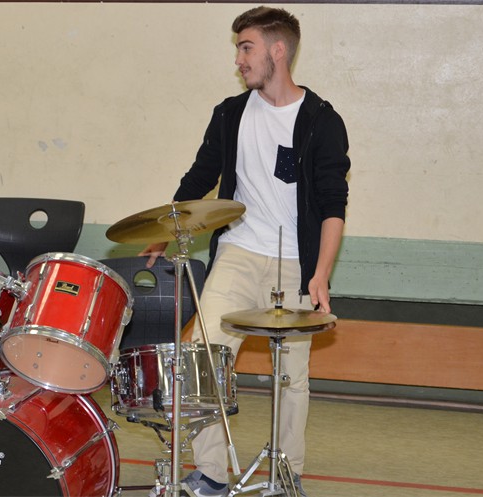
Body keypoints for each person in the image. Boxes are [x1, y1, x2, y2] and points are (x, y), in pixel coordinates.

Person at [139, 6, 350, 497]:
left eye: (246, 47)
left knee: (292, 377)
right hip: (237, 253)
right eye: (238, 48)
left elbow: (333, 205)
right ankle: (212, 472)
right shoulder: (230, 114)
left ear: (278, 50)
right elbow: (200, 177)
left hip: (295, 262)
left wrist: (320, 274)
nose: (239, 59)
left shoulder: (321, 121)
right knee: (201, 358)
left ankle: (286, 473)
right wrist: (166, 227)